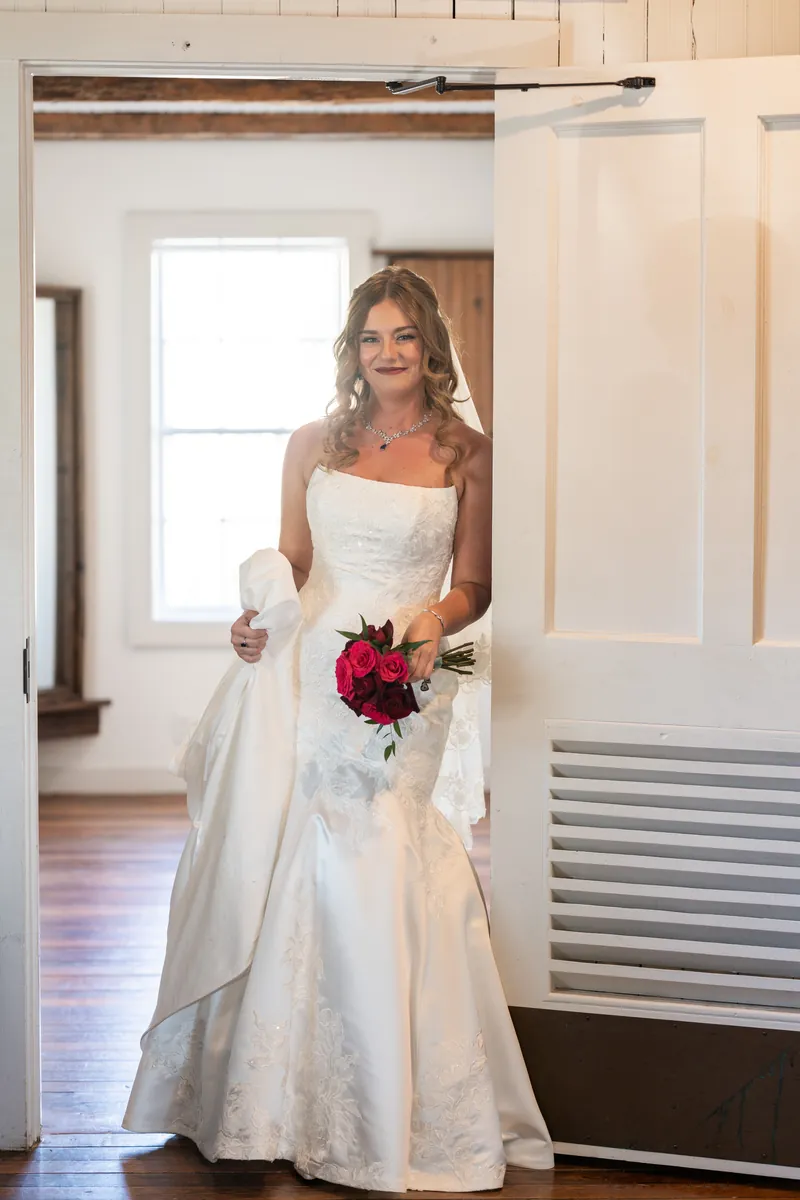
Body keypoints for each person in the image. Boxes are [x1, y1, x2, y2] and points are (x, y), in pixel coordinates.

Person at [122, 266, 553, 1191]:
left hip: (406, 665)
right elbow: (295, 557)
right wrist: (252, 617)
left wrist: (429, 627)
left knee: (384, 843)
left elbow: (477, 583)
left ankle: (385, 1100)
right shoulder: (313, 443)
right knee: (289, 847)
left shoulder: (469, 453)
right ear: (352, 350)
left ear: (431, 345)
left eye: (404, 337)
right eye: (371, 338)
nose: (388, 353)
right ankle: (268, 1098)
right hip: (309, 666)